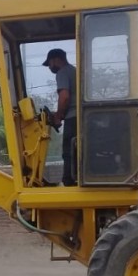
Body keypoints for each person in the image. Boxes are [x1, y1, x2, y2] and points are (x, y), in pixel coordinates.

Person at [42, 48, 77, 186]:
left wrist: (58, 116)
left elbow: (64, 97)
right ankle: (74, 179)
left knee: (68, 152)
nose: (50, 67)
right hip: (79, 117)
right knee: (76, 151)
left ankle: (69, 181)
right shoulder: (74, 71)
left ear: (56, 60)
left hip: (72, 118)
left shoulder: (62, 72)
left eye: (49, 63)